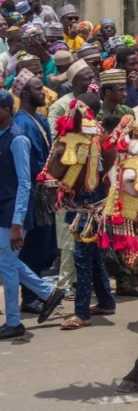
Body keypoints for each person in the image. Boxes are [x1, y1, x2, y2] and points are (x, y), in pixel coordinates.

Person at [0, 88, 64, 338]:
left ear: (6, 110)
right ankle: (48, 293)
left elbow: (25, 183)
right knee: (8, 262)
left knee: (7, 265)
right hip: (4, 207)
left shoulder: (18, 139)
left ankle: (14, 321)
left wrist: (17, 222)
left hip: (14, 209)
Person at [59, 93, 115, 330]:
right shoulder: (101, 134)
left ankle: (81, 313)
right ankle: (105, 301)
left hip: (86, 207)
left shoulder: (86, 136)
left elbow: (72, 170)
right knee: (91, 254)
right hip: (96, 203)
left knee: (82, 257)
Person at [47, 59, 93, 128]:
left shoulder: (96, 100)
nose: (92, 83)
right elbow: (53, 134)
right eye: (87, 79)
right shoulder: (60, 106)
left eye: (92, 78)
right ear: (74, 83)